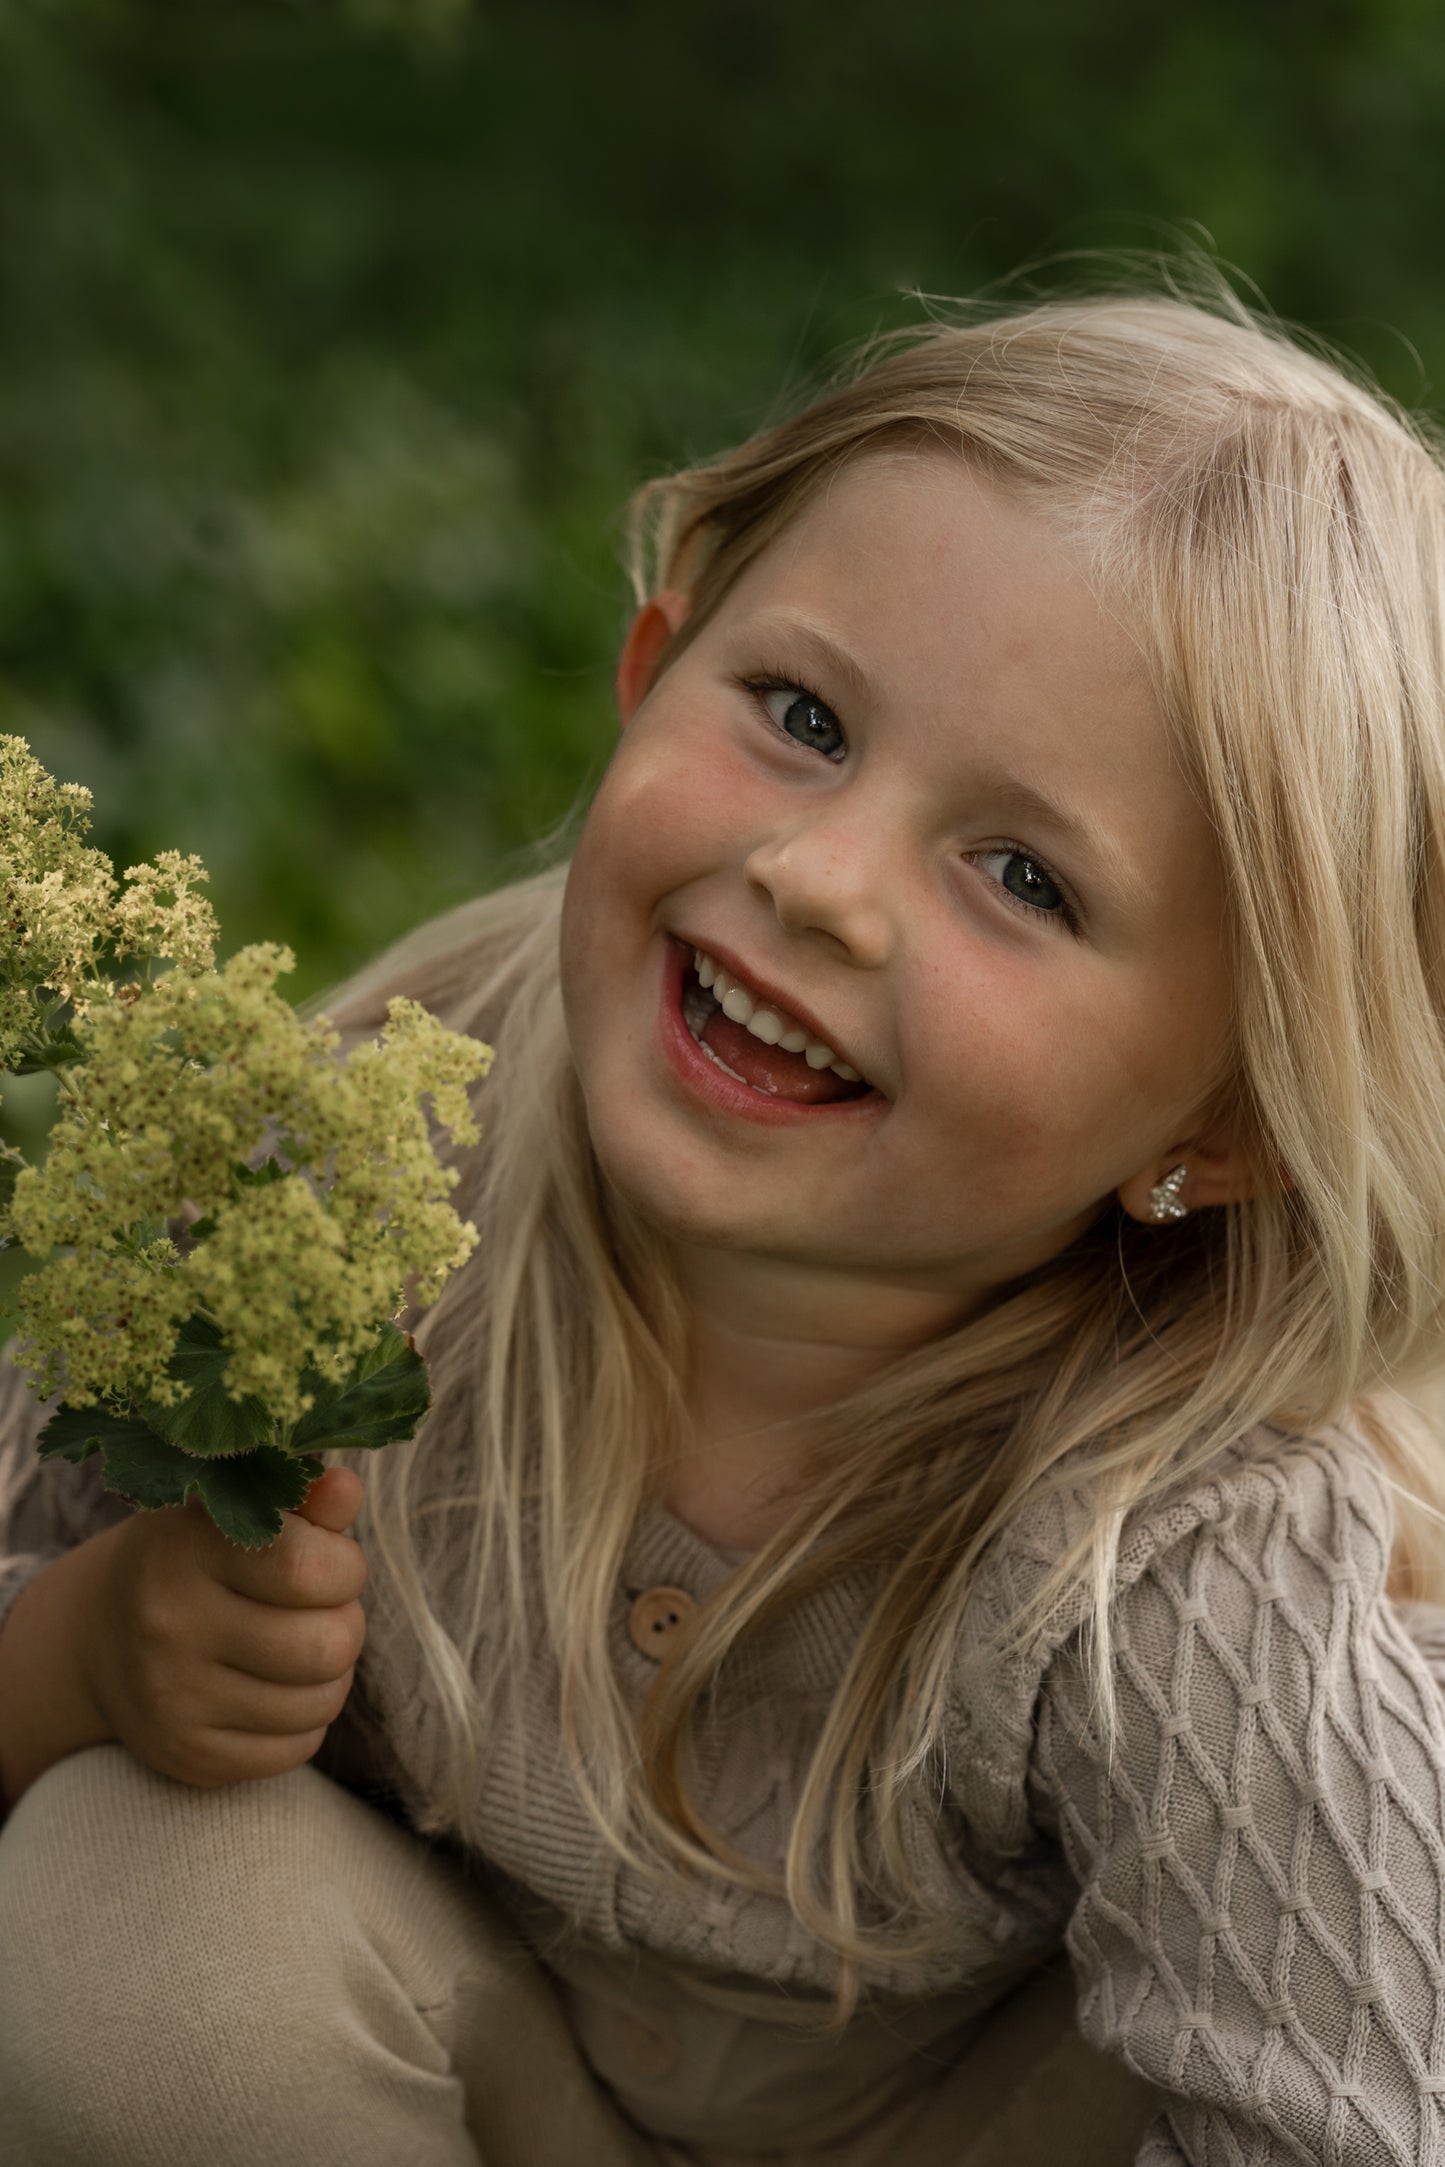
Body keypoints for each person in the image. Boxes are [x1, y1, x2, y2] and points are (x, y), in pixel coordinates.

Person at [3, 277, 1445, 2167]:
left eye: (1019, 875)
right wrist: (91, 1652)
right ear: (646, 666)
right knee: (132, 1908)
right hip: (457, 2076)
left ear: (1228, 1124)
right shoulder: (351, 1169)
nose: (819, 879)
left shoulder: (1188, 1539)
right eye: (799, 716)